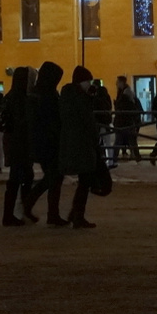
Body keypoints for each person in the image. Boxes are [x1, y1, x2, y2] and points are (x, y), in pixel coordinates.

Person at [58, 66, 105, 228]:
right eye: (87, 81)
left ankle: (76, 214)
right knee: (85, 180)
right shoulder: (79, 98)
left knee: (84, 179)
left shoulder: (68, 96)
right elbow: (88, 120)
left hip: (73, 142)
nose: (89, 84)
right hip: (82, 143)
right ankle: (77, 215)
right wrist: (95, 139)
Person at [21, 61, 64, 224]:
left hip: (43, 141)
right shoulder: (46, 95)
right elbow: (50, 120)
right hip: (48, 142)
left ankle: (51, 213)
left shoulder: (38, 93)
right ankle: (32, 205)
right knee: (54, 177)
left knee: (54, 177)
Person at [0, 65, 37, 225]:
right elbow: (22, 122)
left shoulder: (12, 96)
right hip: (19, 143)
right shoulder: (20, 98)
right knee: (19, 178)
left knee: (22, 177)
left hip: (16, 142)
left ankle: (21, 211)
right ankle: (14, 213)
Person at [112, 77, 142, 165]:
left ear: (121, 82)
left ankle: (113, 159)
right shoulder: (125, 92)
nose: (116, 83)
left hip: (123, 122)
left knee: (119, 141)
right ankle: (137, 157)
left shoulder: (125, 94)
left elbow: (127, 107)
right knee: (131, 140)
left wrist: (117, 105)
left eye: (118, 82)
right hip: (128, 122)